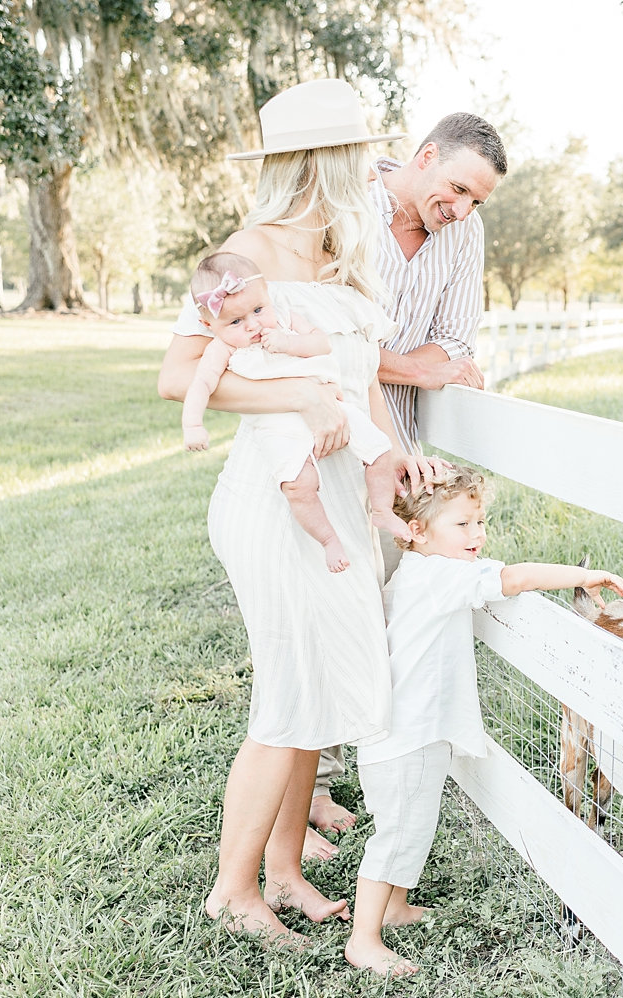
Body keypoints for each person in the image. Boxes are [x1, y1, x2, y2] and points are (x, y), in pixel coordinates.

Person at [156, 78, 443, 946]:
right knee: (286, 697)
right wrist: (300, 404)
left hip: (342, 507)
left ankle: (283, 870)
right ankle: (232, 892)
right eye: (358, 158)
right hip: (276, 505)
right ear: (325, 162)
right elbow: (180, 378)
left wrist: (392, 456)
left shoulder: (338, 254)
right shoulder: (244, 254)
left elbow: (363, 375)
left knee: (315, 692)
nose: (370, 171)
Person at [308, 111, 511, 839]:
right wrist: (398, 361)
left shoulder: (463, 232)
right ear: (423, 158)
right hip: (329, 433)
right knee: (328, 602)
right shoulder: (347, 204)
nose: (460, 208)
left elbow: (455, 344)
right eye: (456, 188)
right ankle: (314, 785)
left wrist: (394, 360)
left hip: (406, 456)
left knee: (383, 609)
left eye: (476, 200)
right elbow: (326, 341)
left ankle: (364, 760)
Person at [343, 466, 623, 975]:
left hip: (415, 731)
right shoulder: (439, 576)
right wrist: (582, 575)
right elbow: (514, 578)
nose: (477, 535)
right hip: (405, 738)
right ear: (415, 531)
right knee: (396, 832)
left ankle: (394, 905)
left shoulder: (423, 570)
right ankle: (363, 939)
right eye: (463, 525)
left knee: (414, 824)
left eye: (481, 522)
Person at [181, 251, 411, 572]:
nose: (253, 325)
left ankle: (382, 510)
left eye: (259, 309)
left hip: (332, 405)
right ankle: (328, 540)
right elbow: (201, 383)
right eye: (235, 321)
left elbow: (321, 345)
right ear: (209, 324)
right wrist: (193, 424)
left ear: (268, 298)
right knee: (299, 485)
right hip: (278, 423)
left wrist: (288, 344)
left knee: (381, 451)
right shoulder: (223, 348)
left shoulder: (286, 320)